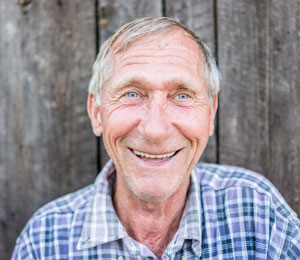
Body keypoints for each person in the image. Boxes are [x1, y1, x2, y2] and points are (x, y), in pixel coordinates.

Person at [12, 17, 300, 260]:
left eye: (182, 95)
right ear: (97, 112)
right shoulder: (44, 240)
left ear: (211, 114)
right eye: (132, 94)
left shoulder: (260, 215)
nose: (156, 129)